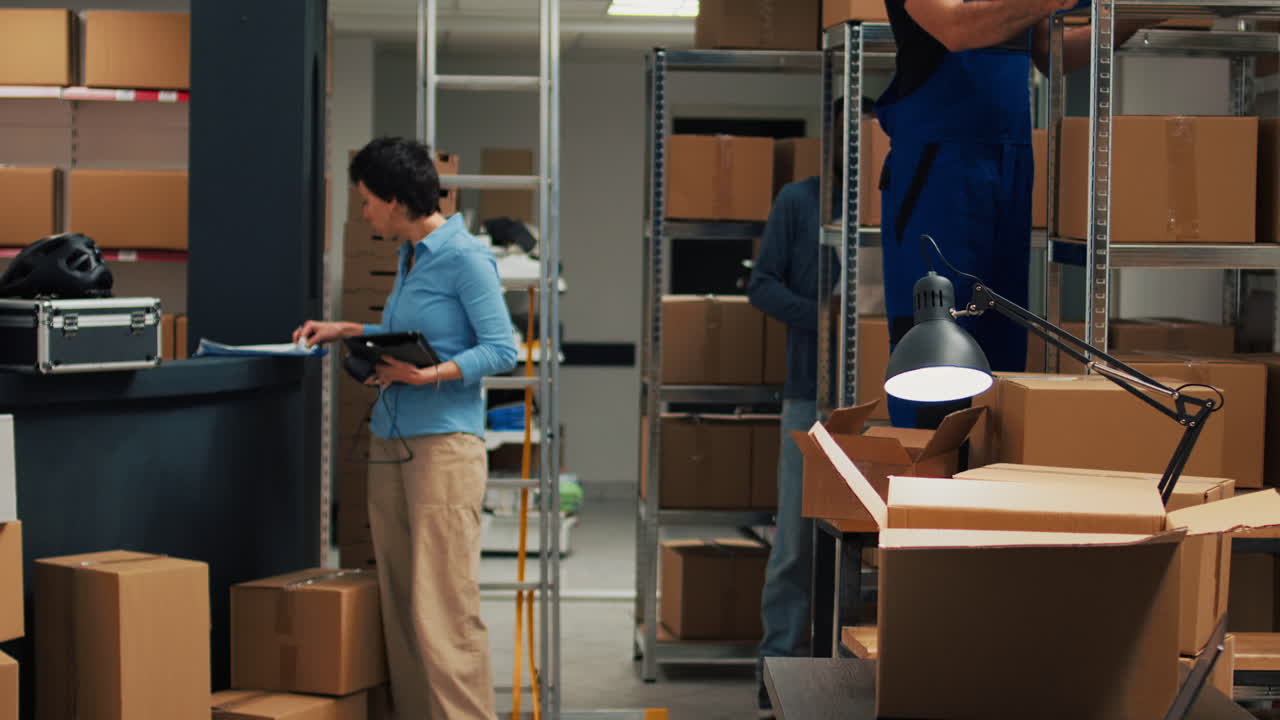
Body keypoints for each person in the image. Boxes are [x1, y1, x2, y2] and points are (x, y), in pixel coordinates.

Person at [294, 137, 518, 720]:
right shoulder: (411, 254)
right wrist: (349, 330)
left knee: (444, 608)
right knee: (400, 603)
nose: (364, 212)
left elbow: (503, 350)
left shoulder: (465, 257)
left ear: (395, 200)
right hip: (394, 444)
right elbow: (415, 331)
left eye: (368, 201)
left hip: (443, 447)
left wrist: (427, 378)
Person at [876, 0, 1139, 428]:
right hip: (939, 167)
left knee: (1002, 338)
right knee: (934, 339)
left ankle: (993, 479)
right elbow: (956, 27)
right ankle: (926, 480)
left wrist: (1132, 15)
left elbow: (1051, 56)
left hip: (1009, 162)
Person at [748, 174, 823, 718]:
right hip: (809, 394)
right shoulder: (800, 201)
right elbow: (762, 284)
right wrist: (824, 320)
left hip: (885, 396)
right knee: (795, 542)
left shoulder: (894, 192)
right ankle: (774, 672)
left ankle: (857, 667)